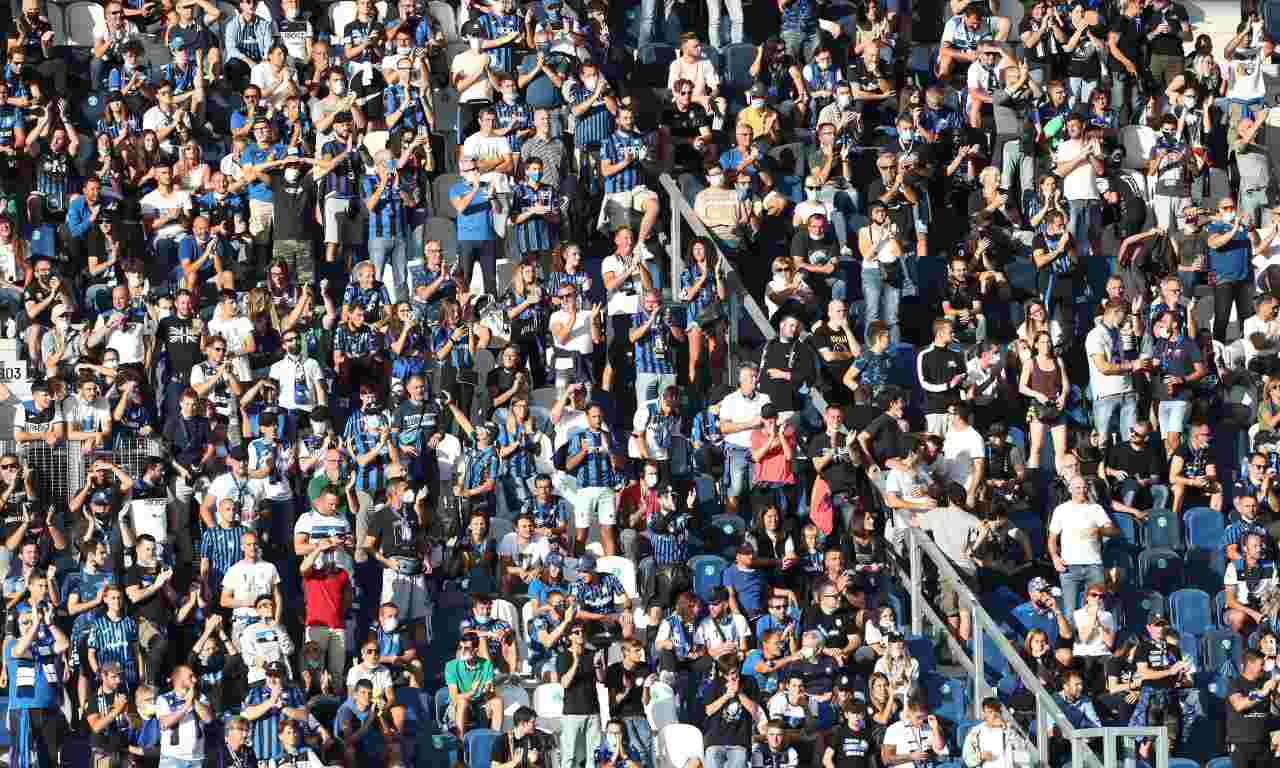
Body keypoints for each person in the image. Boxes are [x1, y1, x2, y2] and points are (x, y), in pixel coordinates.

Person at [1048, 475, 1119, 620]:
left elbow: (1113, 531)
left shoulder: (1096, 508)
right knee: (1070, 612)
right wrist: (1055, 558)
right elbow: (1052, 539)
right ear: (1070, 489)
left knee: (1097, 611)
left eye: (1084, 487)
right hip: (1069, 567)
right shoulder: (1061, 510)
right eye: (1078, 488)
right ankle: (1073, 642)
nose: (1082, 491)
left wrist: (1099, 530)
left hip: (1093, 565)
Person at [1226, 649, 1276, 768]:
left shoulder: (1265, 682)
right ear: (1249, 664)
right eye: (1261, 665)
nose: (1263, 668)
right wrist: (1262, 693)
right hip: (1241, 744)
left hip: (1263, 743)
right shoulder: (1235, 683)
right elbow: (1239, 705)